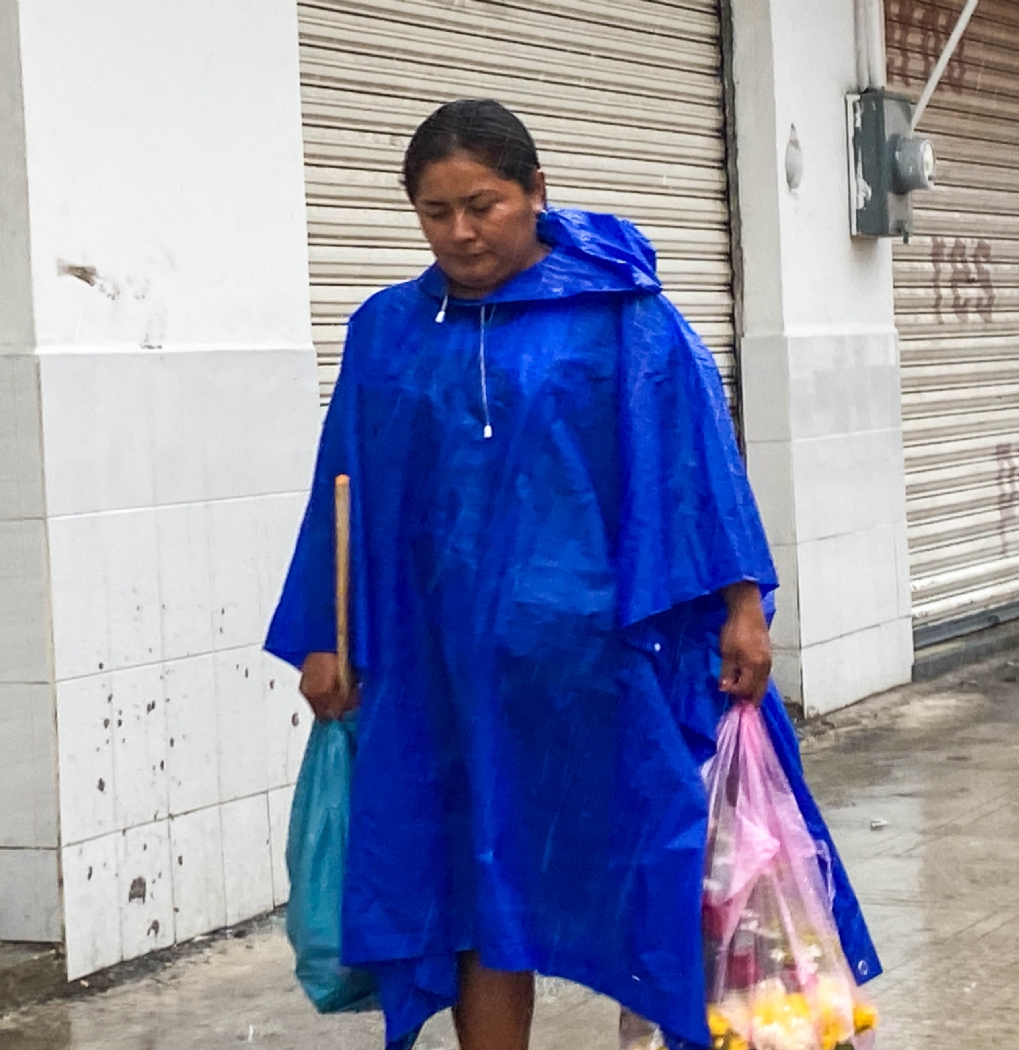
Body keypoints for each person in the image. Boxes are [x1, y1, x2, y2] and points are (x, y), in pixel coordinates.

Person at [264, 100, 879, 1050]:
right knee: (474, 886)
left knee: (651, 861)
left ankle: (666, 1026)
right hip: (447, 675)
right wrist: (324, 637)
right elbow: (340, 487)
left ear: (537, 192)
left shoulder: (625, 317)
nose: (462, 231)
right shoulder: (387, 330)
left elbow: (698, 467)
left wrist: (743, 608)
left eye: (485, 204)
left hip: (608, 659)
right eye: (436, 212)